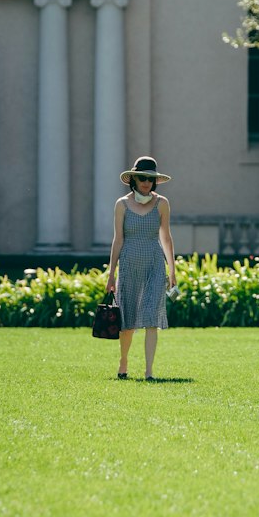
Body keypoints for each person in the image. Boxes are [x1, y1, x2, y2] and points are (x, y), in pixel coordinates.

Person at [106, 155, 178, 380]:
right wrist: (110, 275)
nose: (147, 182)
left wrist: (172, 269)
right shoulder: (122, 204)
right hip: (128, 264)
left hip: (154, 264)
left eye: (151, 178)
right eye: (143, 177)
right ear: (134, 179)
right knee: (127, 321)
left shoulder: (162, 203)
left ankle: (149, 371)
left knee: (151, 318)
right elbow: (117, 240)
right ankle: (124, 362)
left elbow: (166, 238)